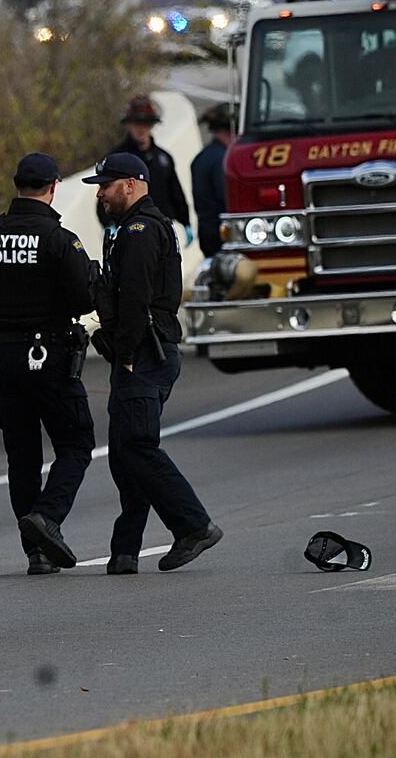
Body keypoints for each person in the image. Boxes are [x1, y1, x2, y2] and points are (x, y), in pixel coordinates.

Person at [83, 152, 222, 575]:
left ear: (130, 183)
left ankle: (194, 526)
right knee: (126, 454)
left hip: (145, 354)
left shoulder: (140, 230)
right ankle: (125, 550)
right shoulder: (129, 228)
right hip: (143, 352)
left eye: (107, 185)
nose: (102, 194)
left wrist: (124, 356)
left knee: (138, 447)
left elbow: (136, 299)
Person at [0, 153, 97, 575]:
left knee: (21, 455)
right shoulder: (60, 240)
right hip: (50, 355)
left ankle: (36, 553)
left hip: (3, 357)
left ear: (17, 185)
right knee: (76, 443)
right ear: (54, 187)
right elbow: (83, 300)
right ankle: (47, 518)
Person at [104, 94, 191, 236]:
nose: (141, 128)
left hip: (161, 228)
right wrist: (109, 224)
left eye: (146, 123)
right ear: (129, 124)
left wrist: (186, 222)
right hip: (128, 229)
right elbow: (106, 193)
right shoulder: (116, 159)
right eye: (137, 122)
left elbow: (175, 192)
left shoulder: (163, 158)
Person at [190, 103, 234, 259]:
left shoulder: (200, 158)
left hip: (206, 231)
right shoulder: (224, 160)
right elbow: (227, 196)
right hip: (222, 233)